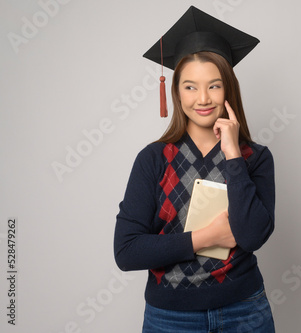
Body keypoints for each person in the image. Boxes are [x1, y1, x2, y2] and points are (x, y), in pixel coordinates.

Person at [113, 6, 276, 332]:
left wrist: (232, 156)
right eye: (190, 86)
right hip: (170, 318)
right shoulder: (153, 159)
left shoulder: (255, 157)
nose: (203, 98)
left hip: (245, 311)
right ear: (176, 91)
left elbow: (254, 235)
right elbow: (127, 251)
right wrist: (207, 237)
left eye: (214, 85)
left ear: (229, 89)